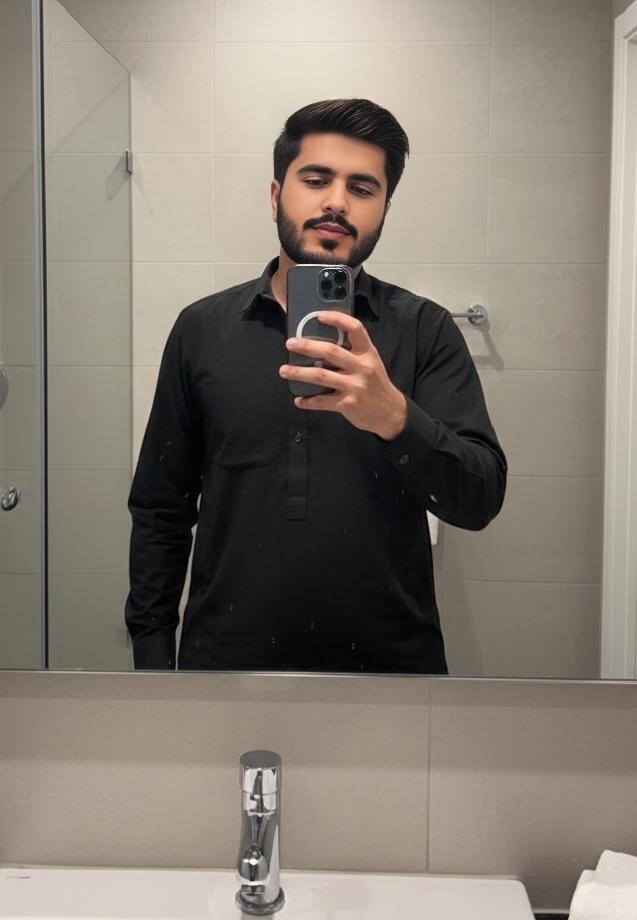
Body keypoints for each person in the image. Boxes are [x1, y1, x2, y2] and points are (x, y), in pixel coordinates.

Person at [125, 98, 507, 674]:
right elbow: (161, 508)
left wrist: (395, 418)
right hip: (225, 662)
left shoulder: (424, 330)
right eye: (316, 179)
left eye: (362, 187)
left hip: (393, 668)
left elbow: (480, 499)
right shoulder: (202, 328)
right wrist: (152, 660)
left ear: (383, 210)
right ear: (276, 195)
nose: (337, 202)